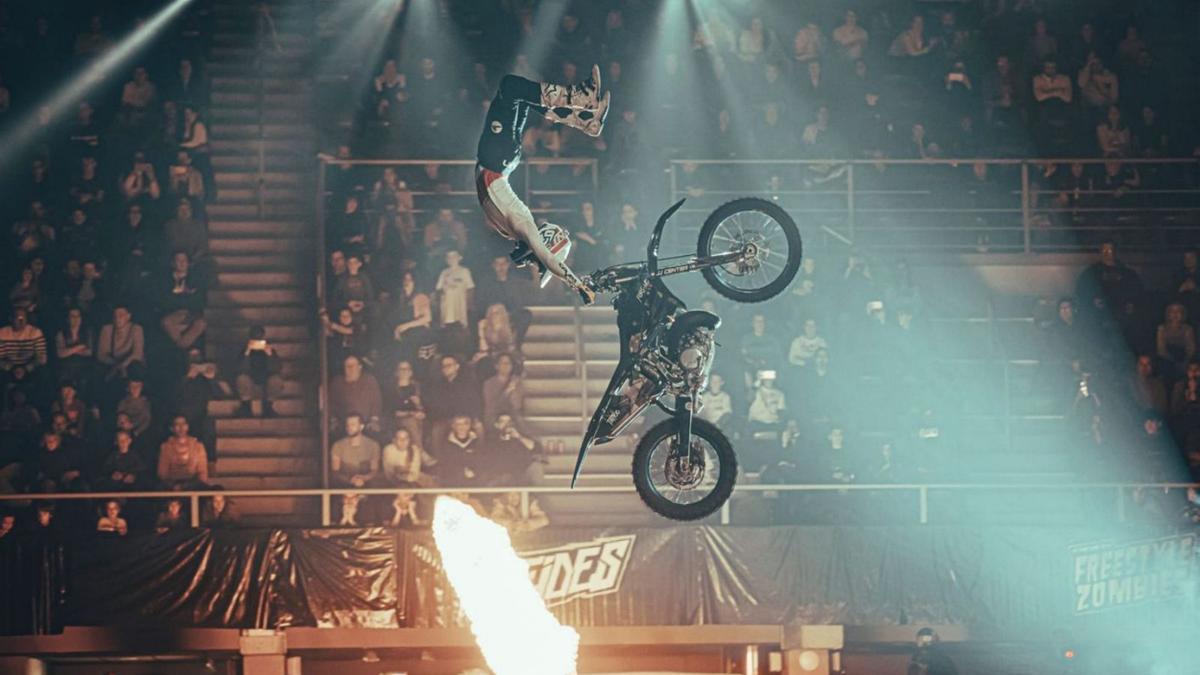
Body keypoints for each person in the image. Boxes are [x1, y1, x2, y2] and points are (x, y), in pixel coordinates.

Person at [475, 67, 609, 303]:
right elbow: (542, 257)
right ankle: (583, 118)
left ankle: (581, 103)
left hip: (497, 160)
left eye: (559, 234)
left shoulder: (523, 230)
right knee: (512, 90)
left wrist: (577, 284)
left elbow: (548, 259)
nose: (558, 228)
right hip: (497, 159)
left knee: (513, 90)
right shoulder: (517, 229)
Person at [157, 415, 209, 489]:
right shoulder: (166, 447)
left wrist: (187, 485)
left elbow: (202, 472)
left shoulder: (198, 446)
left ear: (187, 426)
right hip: (171, 485)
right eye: (177, 424)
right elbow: (162, 473)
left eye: (183, 424)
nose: (181, 427)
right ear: (171, 428)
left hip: (193, 484)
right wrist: (173, 485)